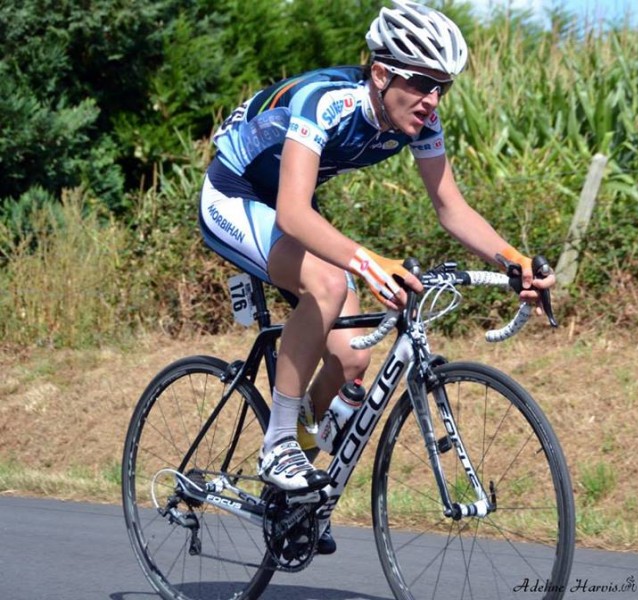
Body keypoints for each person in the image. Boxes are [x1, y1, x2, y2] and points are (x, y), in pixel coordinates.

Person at [199, 0, 555, 550]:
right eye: (421, 83)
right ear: (383, 73)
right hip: (235, 193)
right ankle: (277, 446)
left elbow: (450, 207)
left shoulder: (420, 119)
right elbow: (294, 214)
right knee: (330, 282)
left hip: (286, 206)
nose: (432, 100)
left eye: (443, 87)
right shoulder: (327, 102)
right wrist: (368, 261)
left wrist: (514, 260)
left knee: (351, 359)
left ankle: (291, 488)